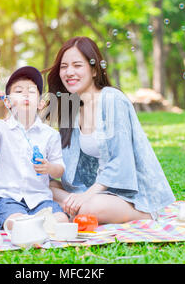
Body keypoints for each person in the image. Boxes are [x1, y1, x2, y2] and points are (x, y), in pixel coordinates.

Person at [45, 36, 176, 223]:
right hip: (95, 191)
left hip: (126, 195)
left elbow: (120, 161)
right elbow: (68, 164)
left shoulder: (112, 100)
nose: (69, 72)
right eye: (64, 66)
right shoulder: (71, 107)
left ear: (93, 70)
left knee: (90, 208)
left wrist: (86, 196)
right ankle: (75, 205)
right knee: (44, 187)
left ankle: (145, 215)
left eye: (77, 65)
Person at [0, 66, 69, 230]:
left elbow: (59, 169)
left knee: (62, 220)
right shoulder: (1, 128)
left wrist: (49, 167)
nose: (25, 94)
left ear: (40, 103)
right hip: (7, 198)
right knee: (15, 221)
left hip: (40, 199)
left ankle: (32, 226)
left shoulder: (50, 134)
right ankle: (32, 225)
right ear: (8, 102)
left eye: (31, 91)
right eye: (18, 91)